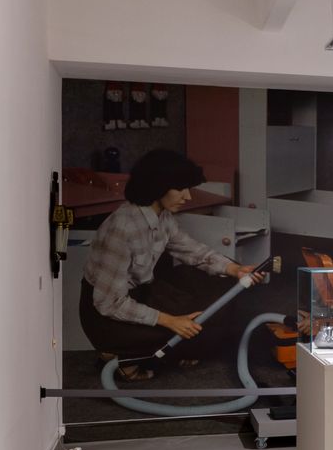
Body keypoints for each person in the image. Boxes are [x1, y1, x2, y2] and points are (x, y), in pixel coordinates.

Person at [78, 148, 270, 380]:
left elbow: (193, 251)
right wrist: (171, 321)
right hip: (106, 317)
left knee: (218, 288)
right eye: (180, 189)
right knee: (191, 325)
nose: (188, 197)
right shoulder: (122, 228)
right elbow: (108, 303)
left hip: (141, 294)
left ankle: (157, 349)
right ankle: (116, 354)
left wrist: (235, 269)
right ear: (157, 186)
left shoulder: (161, 216)